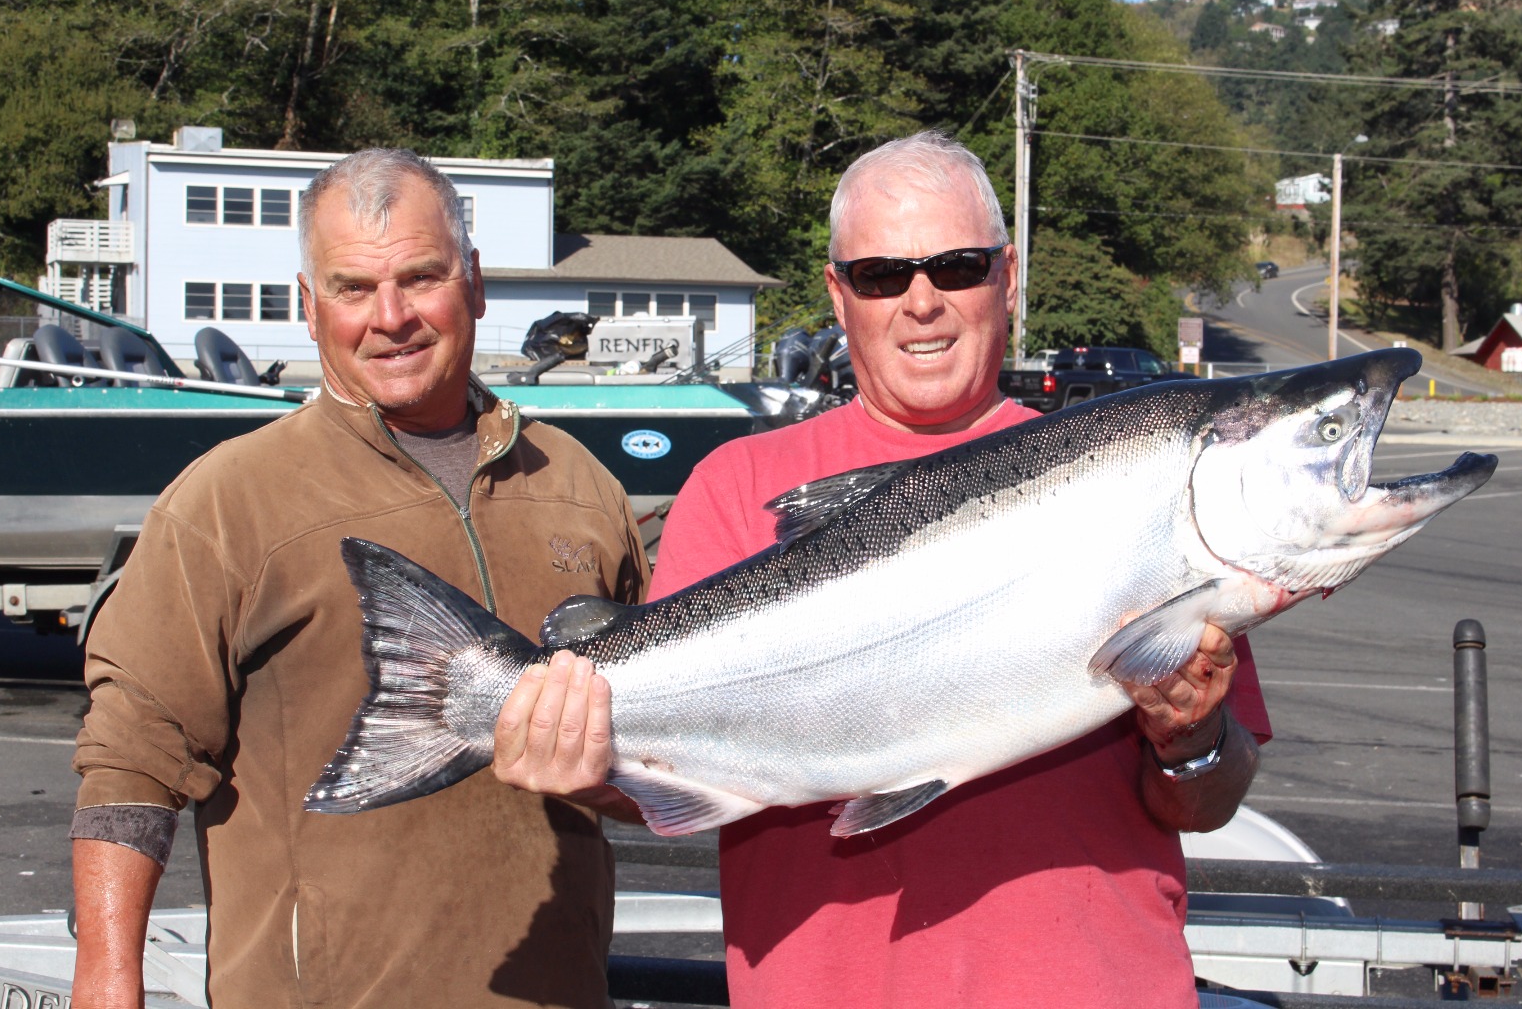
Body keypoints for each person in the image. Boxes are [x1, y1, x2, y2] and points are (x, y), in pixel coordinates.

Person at [498, 130, 1269, 1007]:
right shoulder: (737, 488)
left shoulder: (1134, 478)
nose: (922, 301)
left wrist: (1194, 739)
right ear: (839, 294)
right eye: (882, 275)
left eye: (957, 267)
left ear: (1007, 276)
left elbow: (1209, 800)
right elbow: (665, 791)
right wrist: (579, 760)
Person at [69, 148, 649, 1009]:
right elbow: (132, 760)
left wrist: (615, 774)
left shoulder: (578, 484)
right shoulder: (227, 501)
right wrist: (107, 981)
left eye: (421, 277)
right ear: (308, 307)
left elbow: (656, 755)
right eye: (352, 287)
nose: (391, 317)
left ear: (475, 283)